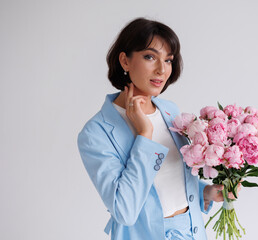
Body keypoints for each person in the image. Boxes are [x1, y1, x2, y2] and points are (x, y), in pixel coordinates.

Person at [77, 17, 240, 240]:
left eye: (169, 60)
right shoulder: (96, 133)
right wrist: (145, 135)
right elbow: (125, 211)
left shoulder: (170, 111)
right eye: (150, 57)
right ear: (125, 61)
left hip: (192, 232)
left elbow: (169, 181)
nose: (162, 69)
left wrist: (206, 191)